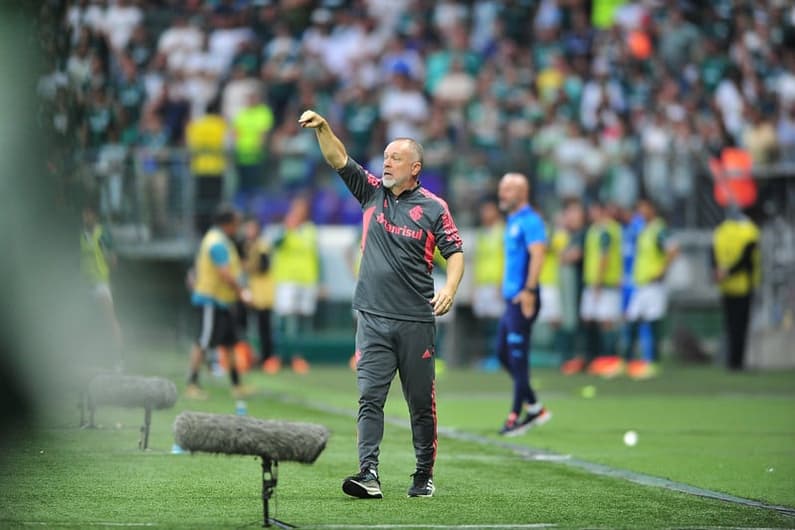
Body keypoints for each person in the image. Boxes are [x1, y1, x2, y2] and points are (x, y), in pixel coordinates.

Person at [298, 109, 464, 499]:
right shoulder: (371, 191)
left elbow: (455, 252)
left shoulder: (435, 208)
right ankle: (368, 473)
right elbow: (337, 158)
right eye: (386, 156)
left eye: (396, 158)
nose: (387, 162)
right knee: (369, 398)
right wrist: (324, 127)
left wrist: (450, 289)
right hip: (371, 317)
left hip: (415, 320)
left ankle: (423, 474)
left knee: (421, 404)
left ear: (415, 167)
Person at [495, 173, 550, 436]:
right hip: (511, 299)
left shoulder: (531, 221)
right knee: (502, 354)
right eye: (502, 189)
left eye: (507, 190)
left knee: (518, 358)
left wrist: (529, 291)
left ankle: (517, 415)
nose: (502, 194)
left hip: (523, 298)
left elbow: (538, 255)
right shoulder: (513, 220)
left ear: (522, 192)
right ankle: (535, 406)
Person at [186, 204, 252, 399]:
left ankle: (236, 384)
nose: (238, 227)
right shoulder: (217, 242)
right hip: (210, 299)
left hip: (221, 300)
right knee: (203, 341)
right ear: (228, 224)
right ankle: (192, 383)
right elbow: (225, 273)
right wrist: (242, 292)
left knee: (230, 342)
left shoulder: (220, 239)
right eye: (236, 223)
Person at [622, 198, 679, 379]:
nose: (641, 212)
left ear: (652, 209)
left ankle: (653, 362)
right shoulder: (644, 229)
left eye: (644, 208)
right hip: (641, 284)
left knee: (653, 323)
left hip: (653, 285)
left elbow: (673, 250)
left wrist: (661, 271)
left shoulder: (659, 229)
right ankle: (629, 362)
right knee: (632, 319)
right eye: (639, 209)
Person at [270, 195, 318, 375]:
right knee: (283, 320)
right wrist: (287, 228)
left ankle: (298, 358)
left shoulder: (310, 230)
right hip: (287, 281)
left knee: (300, 321)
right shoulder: (283, 229)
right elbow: (275, 244)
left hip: (306, 281)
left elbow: (314, 256)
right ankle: (278, 357)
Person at [711, 207, 760, 371]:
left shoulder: (720, 231)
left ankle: (730, 361)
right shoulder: (750, 231)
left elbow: (712, 254)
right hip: (744, 285)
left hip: (725, 286)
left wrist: (719, 272)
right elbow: (747, 260)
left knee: (730, 325)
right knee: (741, 326)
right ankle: (737, 362)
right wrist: (731, 272)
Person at [579, 201, 623, 377]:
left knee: (606, 321)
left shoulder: (607, 230)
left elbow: (604, 256)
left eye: (595, 210)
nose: (591, 214)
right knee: (590, 319)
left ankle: (610, 359)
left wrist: (598, 280)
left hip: (605, 283)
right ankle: (595, 359)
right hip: (592, 282)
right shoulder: (594, 230)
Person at [80, 204, 123, 369]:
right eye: (84, 214)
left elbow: (112, 260)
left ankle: (118, 360)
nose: (85, 218)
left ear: (95, 215)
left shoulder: (103, 234)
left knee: (110, 320)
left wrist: (107, 273)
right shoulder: (83, 235)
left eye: (88, 214)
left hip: (101, 284)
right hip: (87, 284)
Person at [471, 198, 504, 371]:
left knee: (497, 323)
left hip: (496, 284)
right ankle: (487, 358)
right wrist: (475, 286)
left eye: (488, 210)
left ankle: (498, 357)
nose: (485, 214)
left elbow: (507, 259)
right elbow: (478, 261)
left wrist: (502, 282)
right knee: (485, 324)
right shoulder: (482, 234)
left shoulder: (503, 232)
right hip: (483, 285)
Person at [241, 217, 275, 371]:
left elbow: (264, 266)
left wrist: (247, 265)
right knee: (248, 326)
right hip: (252, 292)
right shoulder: (247, 246)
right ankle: (250, 356)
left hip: (263, 293)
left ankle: (267, 358)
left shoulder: (262, 245)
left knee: (264, 328)